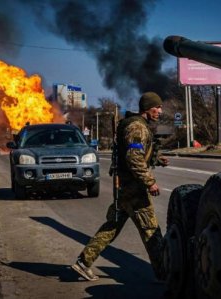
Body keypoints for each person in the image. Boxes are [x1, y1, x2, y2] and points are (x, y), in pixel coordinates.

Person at [71, 91, 169, 281]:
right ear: (148, 108)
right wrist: (150, 182)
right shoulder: (137, 128)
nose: (160, 110)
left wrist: (157, 159)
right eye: (157, 107)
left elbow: (136, 153)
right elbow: (134, 158)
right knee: (151, 231)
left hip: (125, 187)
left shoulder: (136, 126)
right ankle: (165, 274)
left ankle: (83, 263)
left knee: (112, 227)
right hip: (134, 189)